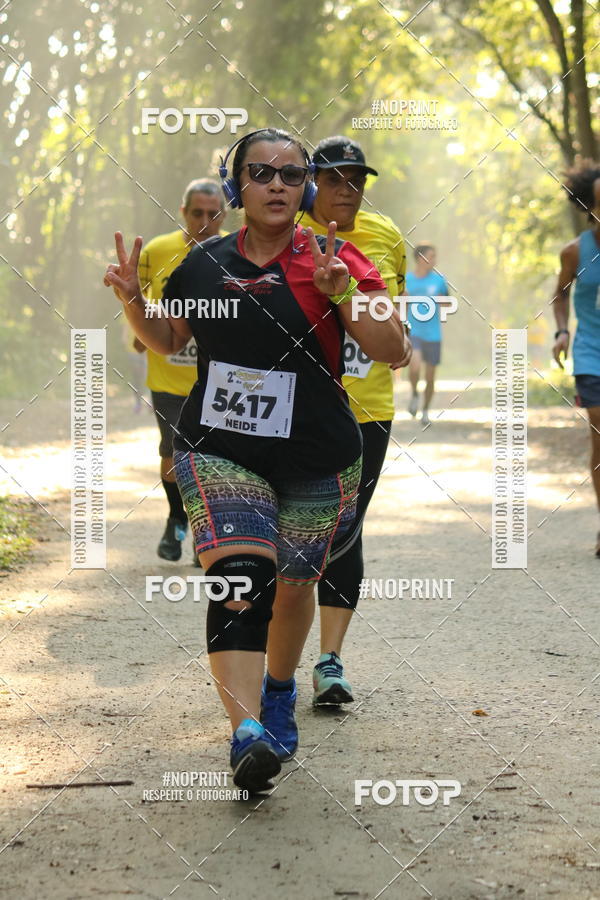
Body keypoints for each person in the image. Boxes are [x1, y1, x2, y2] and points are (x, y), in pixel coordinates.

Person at [104, 128, 408, 793]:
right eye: (261, 173)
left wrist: (343, 294)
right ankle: (245, 733)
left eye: (292, 175)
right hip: (221, 449)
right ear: (236, 184)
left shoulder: (339, 259)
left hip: (317, 455)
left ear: (306, 189)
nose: (277, 184)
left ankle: (277, 689)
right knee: (241, 575)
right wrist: (131, 298)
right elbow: (169, 338)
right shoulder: (202, 265)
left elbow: (395, 349)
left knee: (294, 586)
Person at [300, 135, 411, 706]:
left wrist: (394, 335)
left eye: (357, 180)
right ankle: (270, 661)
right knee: (290, 535)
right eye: (334, 179)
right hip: (295, 408)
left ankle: (329, 661)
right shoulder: (286, 232)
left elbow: (396, 318)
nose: (348, 190)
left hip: (366, 408)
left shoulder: (385, 236)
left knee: (346, 530)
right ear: (312, 182)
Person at [136, 179, 226, 561]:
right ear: (183, 212)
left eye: (213, 214)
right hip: (169, 378)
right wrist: (140, 332)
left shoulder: (236, 254)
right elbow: (137, 299)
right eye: (197, 213)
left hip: (219, 381)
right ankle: (177, 520)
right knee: (173, 453)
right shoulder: (157, 251)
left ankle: (206, 534)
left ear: (224, 214)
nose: (205, 221)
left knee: (214, 460)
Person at [551, 160, 600, 557]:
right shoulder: (574, 252)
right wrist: (562, 331)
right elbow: (560, 295)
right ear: (590, 206)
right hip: (590, 353)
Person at [406, 243, 449, 426]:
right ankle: (415, 394)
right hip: (413, 331)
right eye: (431, 256)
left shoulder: (439, 280)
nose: (434, 260)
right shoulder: (407, 279)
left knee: (430, 377)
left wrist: (442, 302)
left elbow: (448, 304)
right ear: (420, 258)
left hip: (433, 334)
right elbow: (398, 303)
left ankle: (425, 410)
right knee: (414, 367)